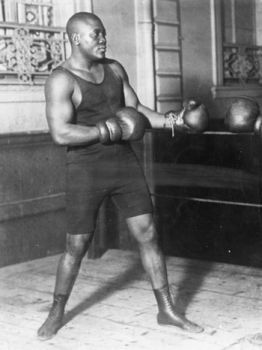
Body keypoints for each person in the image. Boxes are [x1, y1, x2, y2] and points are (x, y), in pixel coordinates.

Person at [37, 11, 208, 340]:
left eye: (103, 34)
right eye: (95, 34)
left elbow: (138, 111)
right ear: (75, 39)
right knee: (77, 245)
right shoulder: (61, 79)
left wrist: (176, 121)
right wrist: (105, 129)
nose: (103, 39)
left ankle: (167, 310)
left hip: (123, 164)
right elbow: (60, 133)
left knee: (148, 233)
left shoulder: (115, 69)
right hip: (86, 168)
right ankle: (56, 311)